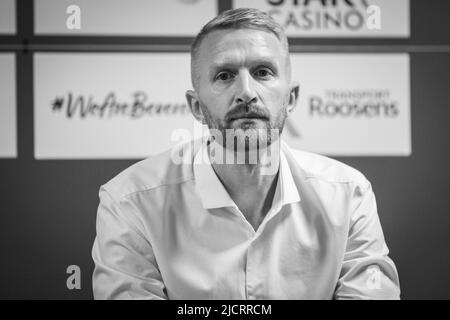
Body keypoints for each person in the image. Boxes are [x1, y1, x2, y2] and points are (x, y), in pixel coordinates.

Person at [92, 8, 400, 300]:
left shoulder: (348, 194)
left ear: (291, 98)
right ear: (196, 107)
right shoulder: (129, 201)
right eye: (225, 75)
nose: (247, 92)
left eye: (263, 72)